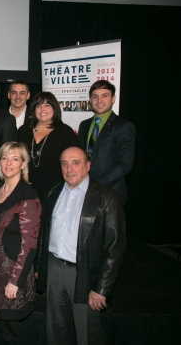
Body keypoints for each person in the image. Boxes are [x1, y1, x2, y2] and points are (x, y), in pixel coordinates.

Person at [36, 147, 126, 344]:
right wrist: (39, 267)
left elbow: (115, 249)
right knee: (55, 331)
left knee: (87, 334)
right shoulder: (53, 192)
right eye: (64, 164)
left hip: (85, 275)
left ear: (88, 166)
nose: (70, 168)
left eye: (76, 163)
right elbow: (43, 234)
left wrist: (101, 288)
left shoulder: (107, 198)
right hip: (54, 270)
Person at [0, 142, 42, 344]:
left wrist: (15, 281)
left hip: (12, 273)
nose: (9, 163)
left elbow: (29, 245)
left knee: (10, 333)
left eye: (15, 159)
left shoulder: (28, 197)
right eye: (5, 158)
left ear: (23, 164)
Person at [77, 80, 136, 202]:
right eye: (95, 96)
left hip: (110, 193)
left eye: (105, 96)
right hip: (83, 191)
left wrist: (97, 185)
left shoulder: (124, 126)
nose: (99, 101)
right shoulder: (84, 125)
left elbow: (125, 164)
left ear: (113, 99)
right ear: (90, 100)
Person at [17, 92, 79, 205]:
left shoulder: (65, 132)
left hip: (54, 192)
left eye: (47, 105)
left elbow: (75, 163)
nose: (42, 109)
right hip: (24, 191)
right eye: (38, 106)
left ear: (54, 108)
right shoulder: (23, 130)